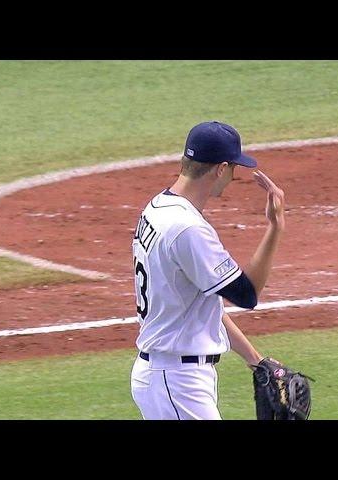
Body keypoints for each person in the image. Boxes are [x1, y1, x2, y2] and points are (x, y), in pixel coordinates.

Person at [130, 120, 286, 420]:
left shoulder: (157, 208)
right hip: (176, 381)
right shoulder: (187, 228)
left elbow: (201, 303)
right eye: (233, 170)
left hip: (171, 375)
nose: (231, 178)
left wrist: (254, 359)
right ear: (220, 168)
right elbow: (246, 293)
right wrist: (275, 227)